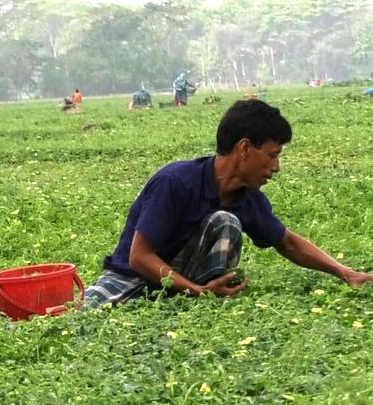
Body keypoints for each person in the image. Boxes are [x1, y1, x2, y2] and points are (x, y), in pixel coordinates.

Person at [85, 99, 373, 308]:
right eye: (272, 155)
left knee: (226, 221)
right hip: (133, 277)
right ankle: (198, 295)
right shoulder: (175, 182)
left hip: (185, 287)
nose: (276, 167)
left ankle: (203, 298)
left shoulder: (246, 197)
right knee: (76, 314)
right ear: (245, 148)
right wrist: (197, 291)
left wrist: (346, 273)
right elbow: (140, 257)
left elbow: (288, 243)